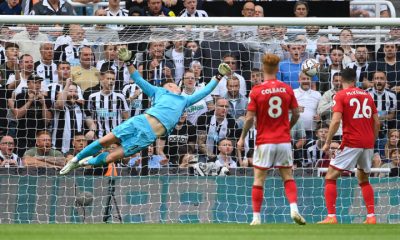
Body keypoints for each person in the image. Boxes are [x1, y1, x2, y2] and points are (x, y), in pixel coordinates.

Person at [60, 48, 231, 175]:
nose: (173, 85)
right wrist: (129, 62)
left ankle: (82, 163)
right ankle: (75, 159)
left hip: (147, 137)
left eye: (174, 84)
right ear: (165, 88)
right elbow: (138, 79)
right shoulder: (158, 91)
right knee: (106, 140)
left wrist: (218, 75)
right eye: (169, 84)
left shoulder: (185, 100)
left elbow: (205, 91)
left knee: (112, 157)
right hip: (140, 121)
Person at [237, 53, 305, 225]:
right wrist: (287, 128)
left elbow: (250, 118)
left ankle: (256, 218)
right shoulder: (287, 89)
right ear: (277, 69)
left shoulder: (257, 91)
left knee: (259, 179)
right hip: (283, 141)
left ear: (263, 69)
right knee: (288, 176)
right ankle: (294, 209)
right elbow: (296, 114)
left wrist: (242, 137)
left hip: (264, 141)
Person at [318, 68, 380, 224]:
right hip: (368, 142)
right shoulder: (367, 95)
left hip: (351, 141)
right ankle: (371, 216)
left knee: (330, 176)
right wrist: (372, 141)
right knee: (363, 178)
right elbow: (377, 122)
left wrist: (327, 142)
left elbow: (336, 120)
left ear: (342, 80)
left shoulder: (341, 95)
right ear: (355, 80)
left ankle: (331, 216)